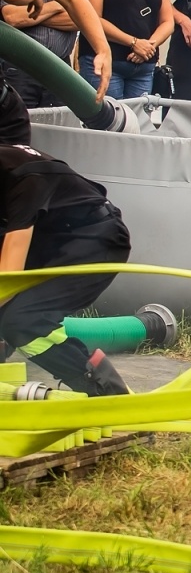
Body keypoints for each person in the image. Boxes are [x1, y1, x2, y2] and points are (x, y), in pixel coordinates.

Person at [0, 141, 133, 396]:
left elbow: (8, 279)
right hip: (52, 238)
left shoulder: (25, 179)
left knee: (23, 322)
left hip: (95, 240)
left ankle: (108, 396)